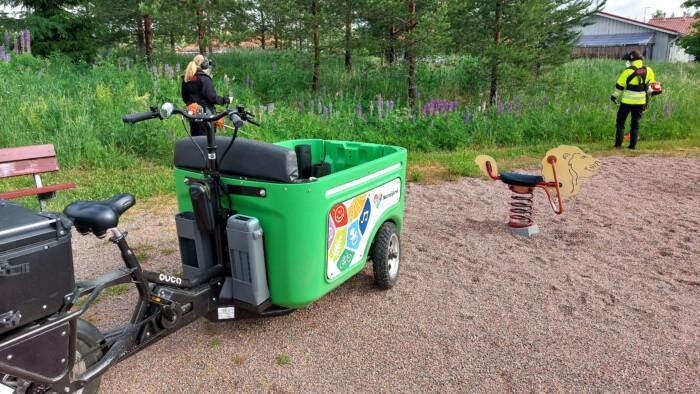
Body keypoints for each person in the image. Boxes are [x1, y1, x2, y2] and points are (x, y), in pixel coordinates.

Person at [610, 50, 655, 150]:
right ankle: (632, 146)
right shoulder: (648, 70)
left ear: (631, 60)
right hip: (640, 102)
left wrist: (614, 96)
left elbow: (619, 87)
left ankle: (618, 145)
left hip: (627, 102)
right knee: (635, 124)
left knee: (620, 122)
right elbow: (651, 87)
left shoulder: (627, 71)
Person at [181, 54, 232, 136]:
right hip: (206, 116)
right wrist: (225, 100)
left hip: (193, 115)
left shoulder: (187, 78)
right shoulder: (204, 78)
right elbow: (211, 97)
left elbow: (185, 98)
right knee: (208, 143)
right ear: (204, 65)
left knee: (196, 140)